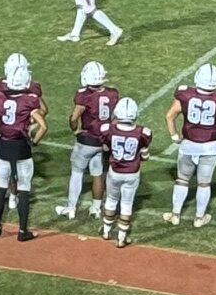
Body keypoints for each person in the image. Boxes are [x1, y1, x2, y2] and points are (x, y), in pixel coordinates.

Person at [0, 53, 46, 240]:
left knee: (1, 186)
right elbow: (44, 125)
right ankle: (23, 231)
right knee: (23, 187)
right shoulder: (30, 99)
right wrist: (34, 141)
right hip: (21, 146)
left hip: (3, 145)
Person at [167, 64, 216, 229]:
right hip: (210, 147)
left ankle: (175, 214)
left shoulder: (185, 94)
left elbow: (169, 116)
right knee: (204, 184)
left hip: (188, 145)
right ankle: (199, 218)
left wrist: (174, 135)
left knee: (182, 180)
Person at [60, 60, 120, 218]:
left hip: (86, 140)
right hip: (102, 141)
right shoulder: (112, 93)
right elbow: (116, 118)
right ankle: (96, 208)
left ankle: (71, 208)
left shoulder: (84, 95)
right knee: (97, 174)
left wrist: (75, 129)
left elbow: (74, 117)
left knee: (77, 172)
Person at [100, 97, 151, 246]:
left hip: (115, 170)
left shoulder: (107, 129)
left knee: (111, 199)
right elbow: (145, 156)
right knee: (127, 203)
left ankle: (106, 231)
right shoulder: (144, 132)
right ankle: (121, 238)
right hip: (132, 172)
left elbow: (105, 149)